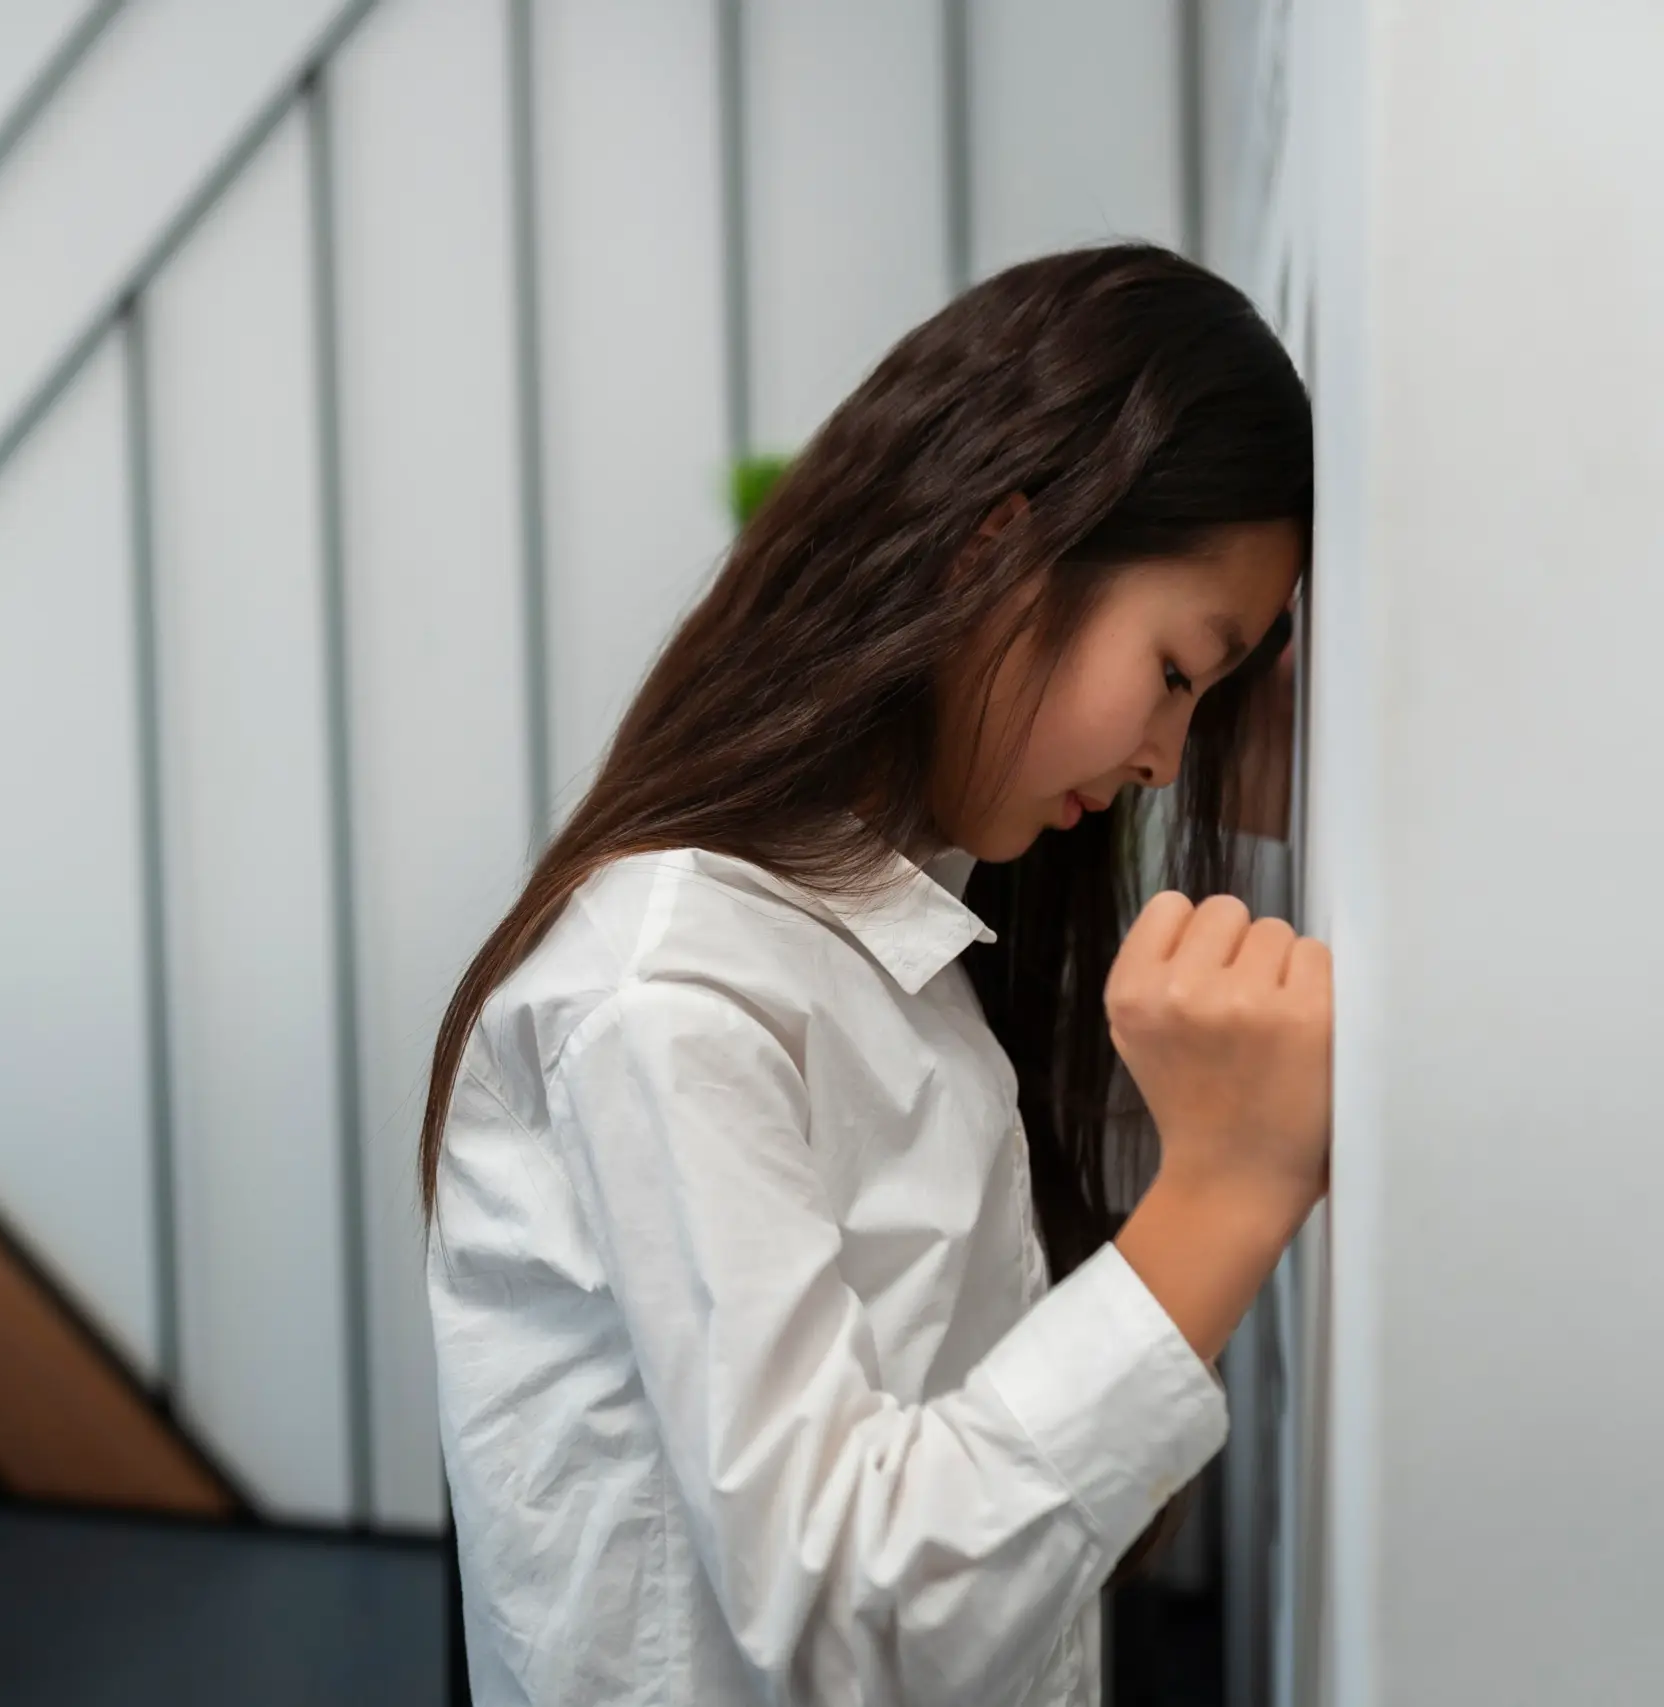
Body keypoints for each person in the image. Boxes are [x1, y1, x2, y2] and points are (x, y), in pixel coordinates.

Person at [424, 244, 1327, 1707]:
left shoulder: (904, 942)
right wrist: (1226, 1193)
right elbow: (850, 1609)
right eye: (1176, 672)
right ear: (994, 549)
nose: (1167, 753)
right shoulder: (674, 996)